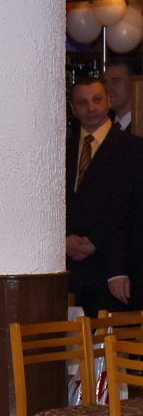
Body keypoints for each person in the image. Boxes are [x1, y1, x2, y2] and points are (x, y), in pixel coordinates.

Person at [65, 75, 143, 316]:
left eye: (97, 100)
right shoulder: (61, 149)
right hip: (70, 272)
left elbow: (132, 209)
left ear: (109, 101)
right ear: (72, 108)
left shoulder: (134, 149)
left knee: (111, 339)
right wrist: (62, 239)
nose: (90, 108)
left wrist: (96, 240)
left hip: (114, 270)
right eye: (82, 102)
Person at [104, 57, 134, 134]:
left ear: (133, 83)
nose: (107, 88)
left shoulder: (139, 128)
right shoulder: (102, 126)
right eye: (105, 82)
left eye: (115, 81)